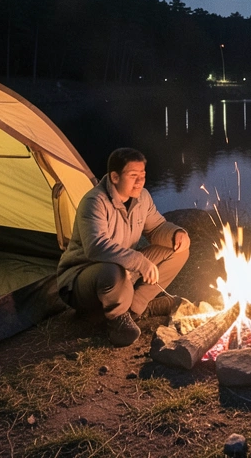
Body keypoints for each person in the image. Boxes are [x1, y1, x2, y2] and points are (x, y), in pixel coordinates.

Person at [56, 147, 191, 347]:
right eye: (133, 175)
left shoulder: (142, 197)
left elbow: (157, 228)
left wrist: (176, 234)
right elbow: (96, 247)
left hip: (123, 270)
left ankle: (136, 309)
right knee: (112, 271)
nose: (140, 181)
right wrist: (139, 263)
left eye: (143, 175)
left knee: (177, 251)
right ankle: (116, 320)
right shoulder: (94, 202)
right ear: (115, 177)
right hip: (83, 279)